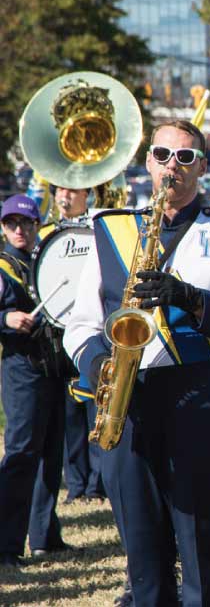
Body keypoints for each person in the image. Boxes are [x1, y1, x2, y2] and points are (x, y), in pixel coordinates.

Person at [64, 120, 210, 604]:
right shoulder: (110, 228)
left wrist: (191, 299)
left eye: (185, 157)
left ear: (202, 168)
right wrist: (100, 368)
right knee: (143, 555)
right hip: (124, 400)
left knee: (201, 546)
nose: (171, 166)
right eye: (161, 154)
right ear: (147, 162)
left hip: (195, 393)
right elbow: (80, 324)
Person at [0, 194, 73, 568]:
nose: (19, 230)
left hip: (52, 367)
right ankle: (6, 546)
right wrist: (5, 320)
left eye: (26, 223)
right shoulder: (1, 266)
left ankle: (44, 537)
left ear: (35, 225)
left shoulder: (43, 261)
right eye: (11, 223)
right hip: (21, 367)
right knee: (22, 454)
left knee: (50, 454)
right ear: (2, 227)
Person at [39, 186, 106, 505]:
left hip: (93, 332)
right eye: (61, 191)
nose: (65, 196)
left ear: (87, 194)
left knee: (97, 407)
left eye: (73, 191)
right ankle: (76, 483)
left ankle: (97, 483)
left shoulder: (96, 229)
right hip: (58, 336)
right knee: (70, 417)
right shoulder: (47, 235)